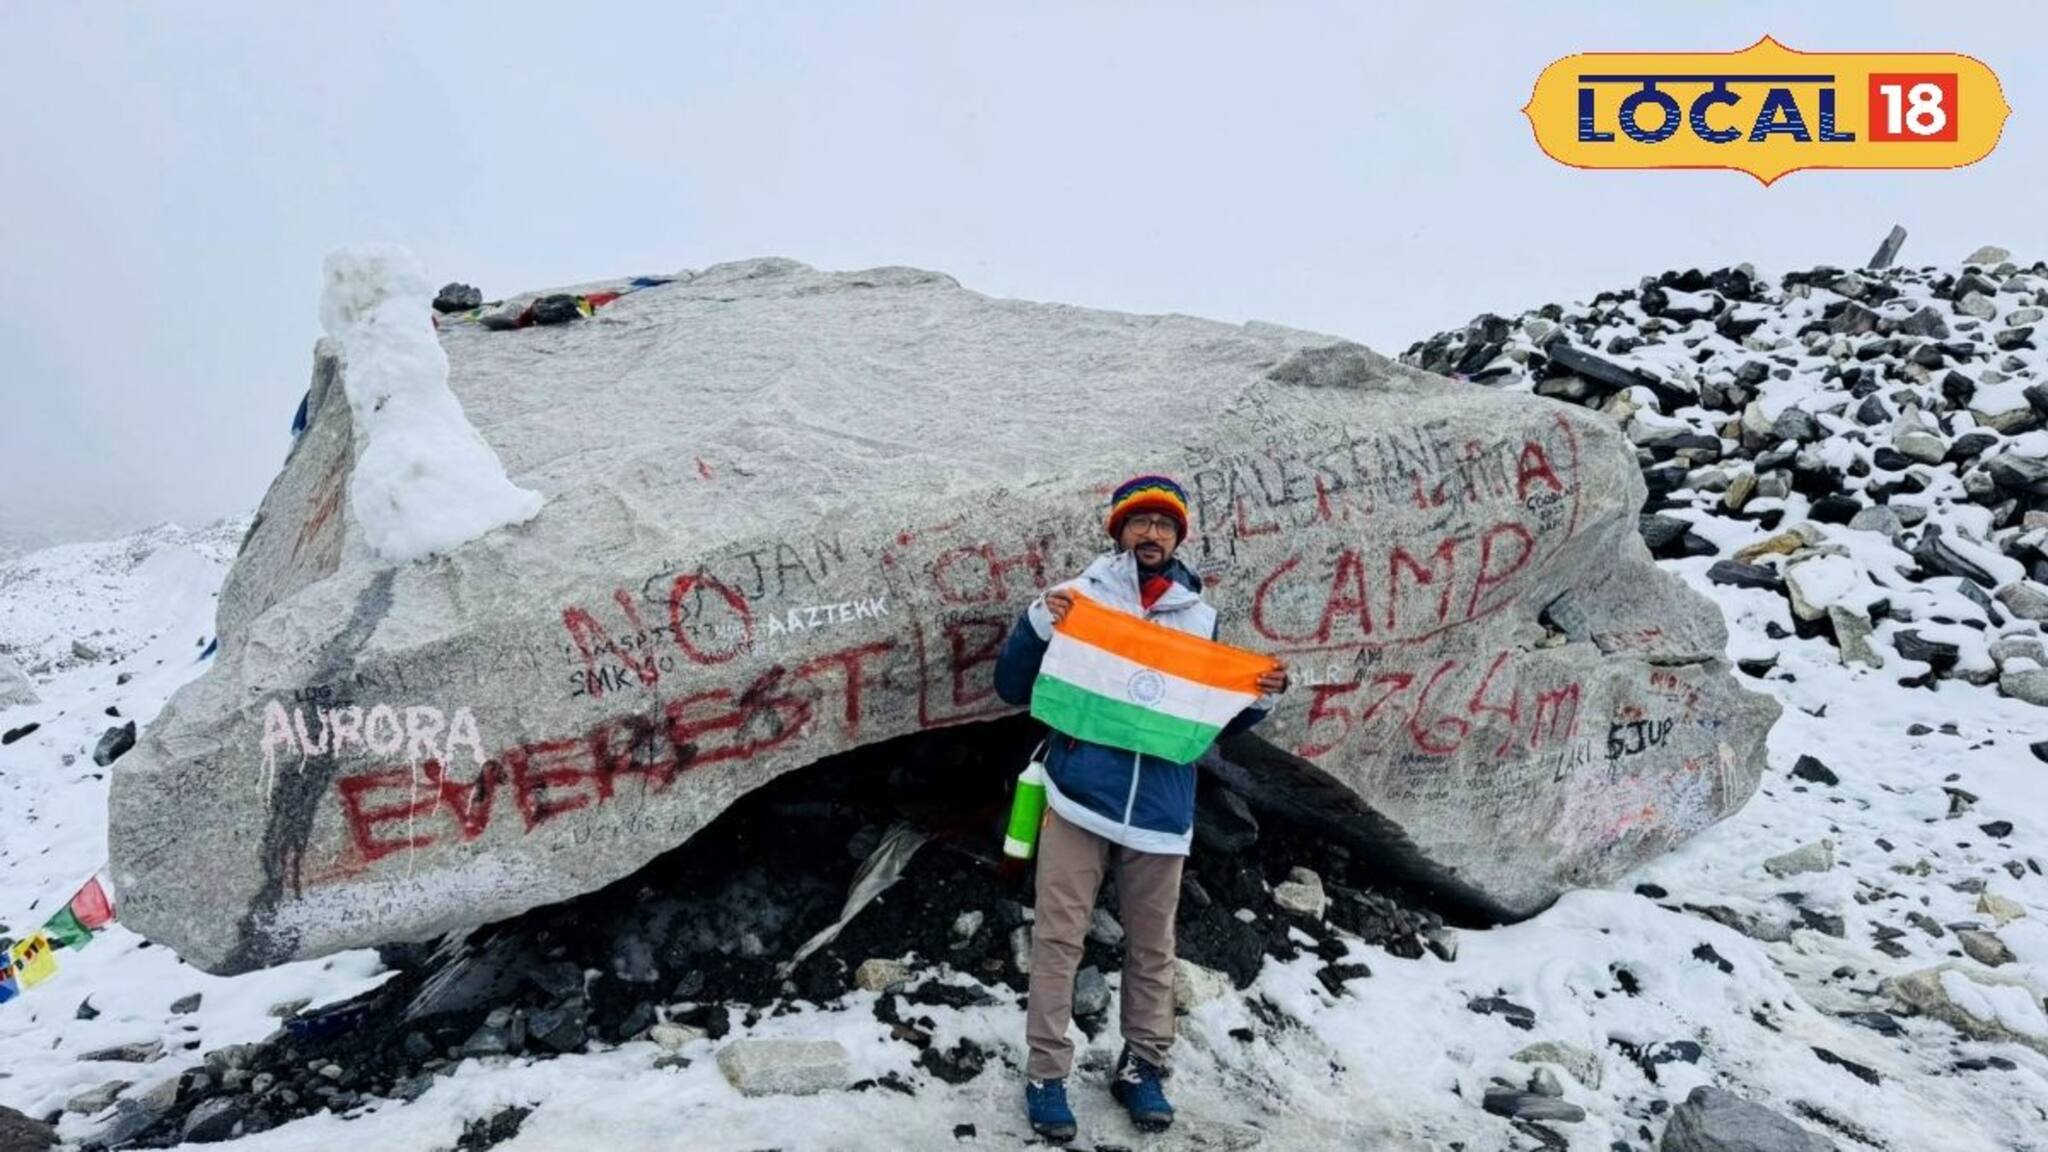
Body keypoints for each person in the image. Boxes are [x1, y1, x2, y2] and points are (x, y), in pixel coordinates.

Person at [993, 474, 1289, 1141]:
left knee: (1154, 947)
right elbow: (1012, 685)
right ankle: (1046, 1072)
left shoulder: (1199, 617)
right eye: (1139, 522)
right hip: (1078, 797)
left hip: (1161, 808)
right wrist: (1040, 623)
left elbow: (1209, 719)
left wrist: (1260, 694)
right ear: (1118, 531)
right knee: (1058, 937)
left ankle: (1143, 1067)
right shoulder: (1078, 599)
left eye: (1164, 524)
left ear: (1178, 536)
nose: (1151, 534)